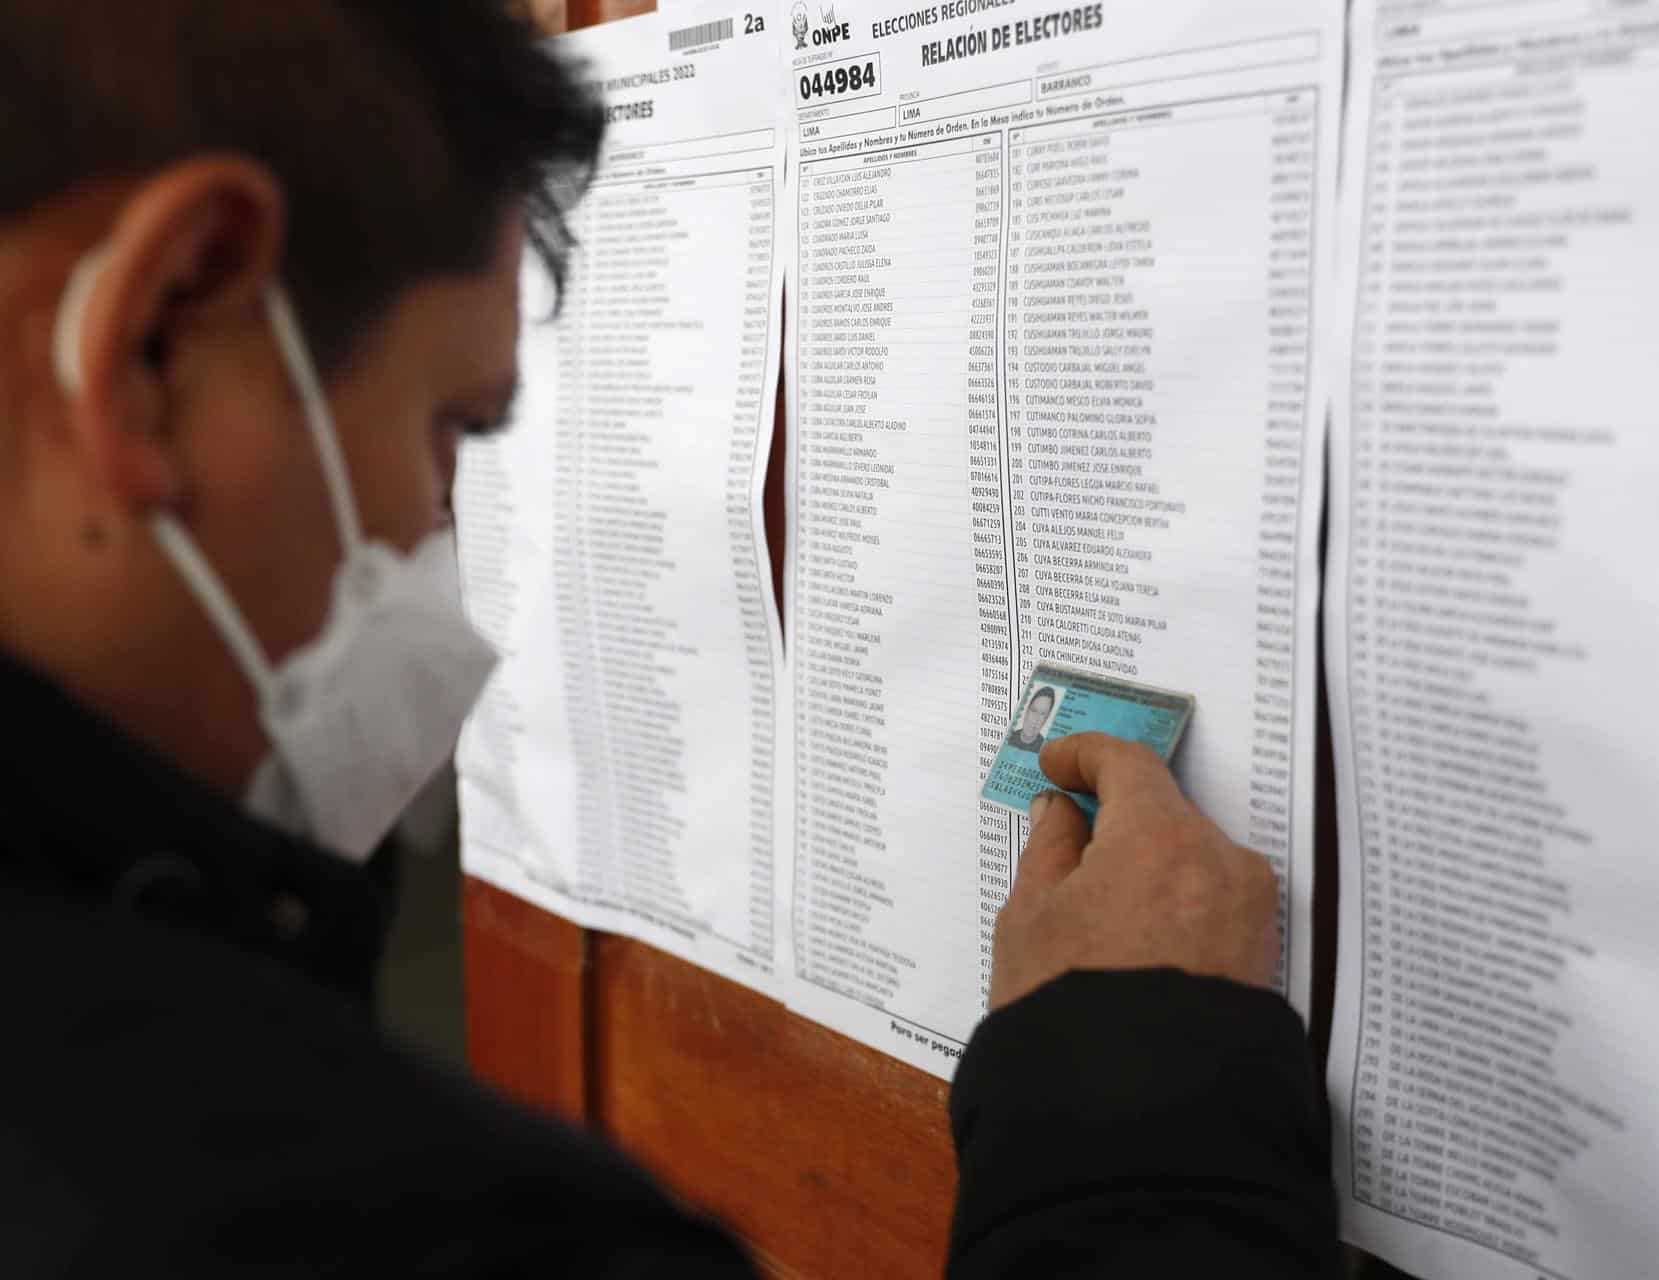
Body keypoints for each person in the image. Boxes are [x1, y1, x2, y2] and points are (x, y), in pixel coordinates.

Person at [0, 3, 1336, 1276]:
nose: (439, 528)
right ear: (156, 343)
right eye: (448, 428)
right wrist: (1142, 1094)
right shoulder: (405, 1229)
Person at [1007, 684, 1058, 752]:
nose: (1035, 719)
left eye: (1042, 714)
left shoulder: (1045, 750)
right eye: (1034, 710)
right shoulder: (1008, 737)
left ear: (1046, 719)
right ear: (1027, 711)